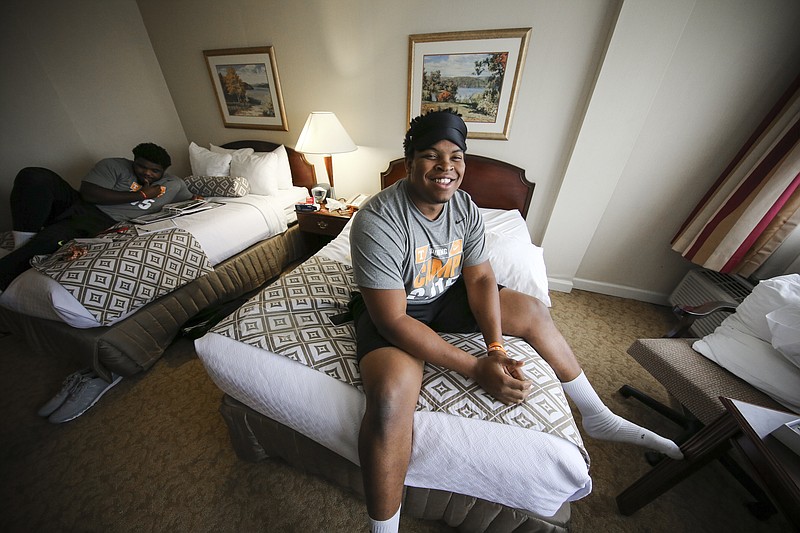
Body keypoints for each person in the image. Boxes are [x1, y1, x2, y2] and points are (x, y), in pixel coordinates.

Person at [348, 110, 683, 533]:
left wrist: (496, 348)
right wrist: (475, 368)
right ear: (410, 161)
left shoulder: (464, 206)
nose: (446, 168)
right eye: (431, 156)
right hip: (398, 308)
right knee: (390, 401)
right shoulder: (379, 220)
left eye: (456, 156)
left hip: (445, 295)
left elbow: (483, 277)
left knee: (530, 309)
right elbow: (393, 320)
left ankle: (596, 414)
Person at [0, 142, 193, 423]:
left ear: (165, 172)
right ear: (133, 161)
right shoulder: (113, 166)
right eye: (141, 166)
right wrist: (141, 193)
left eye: (154, 171)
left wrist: (200, 198)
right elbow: (88, 194)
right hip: (83, 206)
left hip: (101, 221)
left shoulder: (173, 184)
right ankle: (25, 245)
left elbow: (190, 196)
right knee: (33, 176)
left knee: (51, 238)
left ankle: (24, 254)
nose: (147, 173)